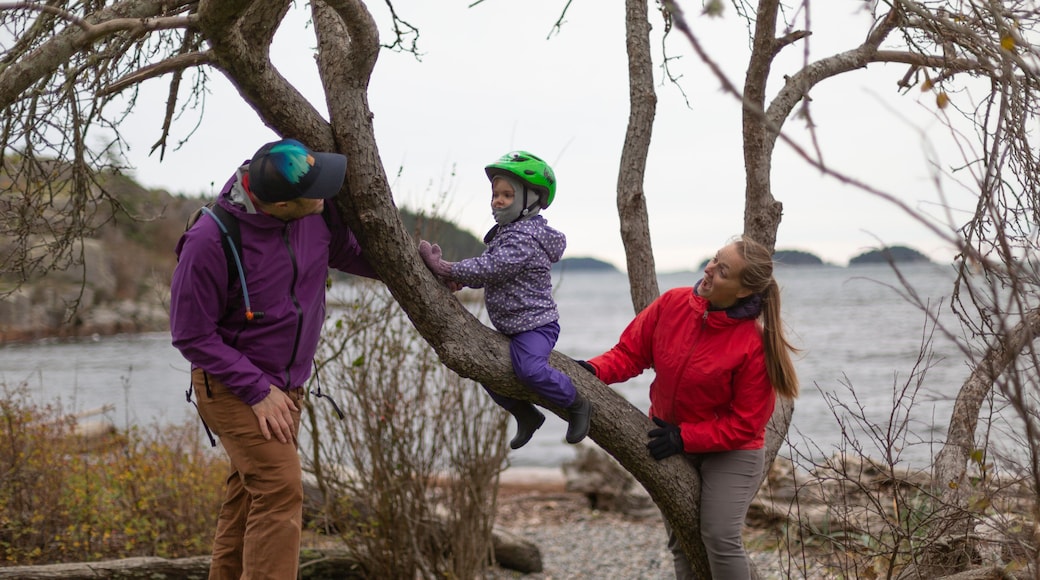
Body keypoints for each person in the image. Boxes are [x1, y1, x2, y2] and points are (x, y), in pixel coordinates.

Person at [170, 138, 379, 580]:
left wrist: (427, 268)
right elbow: (191, 334)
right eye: (315, 193)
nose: (326, 198)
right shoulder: (209, 240)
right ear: (280, 204)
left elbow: (355, 254)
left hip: (286, 386)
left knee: (249, 498)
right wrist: (258, 390)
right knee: (281, 492)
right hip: (232, 386)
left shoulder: (314, 216)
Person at [579, 236, 799, 580]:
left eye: (723, 270)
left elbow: (744, 424)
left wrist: (684, 437)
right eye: (715, 259)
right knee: (682, 543)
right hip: (670, 439)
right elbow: (629, 354)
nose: (710, 269)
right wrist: (591, 371)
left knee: (719, 539)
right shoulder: (673, 304)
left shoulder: (753, 344)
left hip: (731, 452)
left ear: (742, 291)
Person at [417, 150, 592, 449]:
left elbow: (493, 268)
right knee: (483, 365)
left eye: (507, 195)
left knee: (530, 370)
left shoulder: (525, 238)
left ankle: (576, 403)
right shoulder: (506, 233)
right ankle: (526, 415)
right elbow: (492, 268)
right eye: (496, 194)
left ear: (531, 200)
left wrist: (447, 268)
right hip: (513, 325)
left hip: (537, 327)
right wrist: (458, 279)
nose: (497, 200)